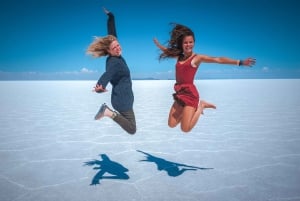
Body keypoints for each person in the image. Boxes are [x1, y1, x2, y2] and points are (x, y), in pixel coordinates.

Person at [153, 23, 255, 133]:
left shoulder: (197, 58)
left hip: (190, 94)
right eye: (185, 42)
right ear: (181, 44)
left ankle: (201, 106)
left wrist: (240, 62)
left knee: (185, 129)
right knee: (171, 124)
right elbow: (168, 52)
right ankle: (187, 112)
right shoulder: (179, 57)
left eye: (191, 42)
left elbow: (218, 60)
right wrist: (159, 46)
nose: (188, 45)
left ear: (194, 43)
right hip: (179, 93)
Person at [86, 7, 136, 135]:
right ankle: (107, 112)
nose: (118, 48)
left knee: (131, 125)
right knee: (132, 129)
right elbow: (107, 74)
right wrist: (100, 85)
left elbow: (112, 34)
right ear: (109, 51)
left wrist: (111, 17)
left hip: (124, 98)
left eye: (118, 45)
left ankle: (108, 112)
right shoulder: (113, 62)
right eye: (114, 48)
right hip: (122, 100)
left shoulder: (115, 55)